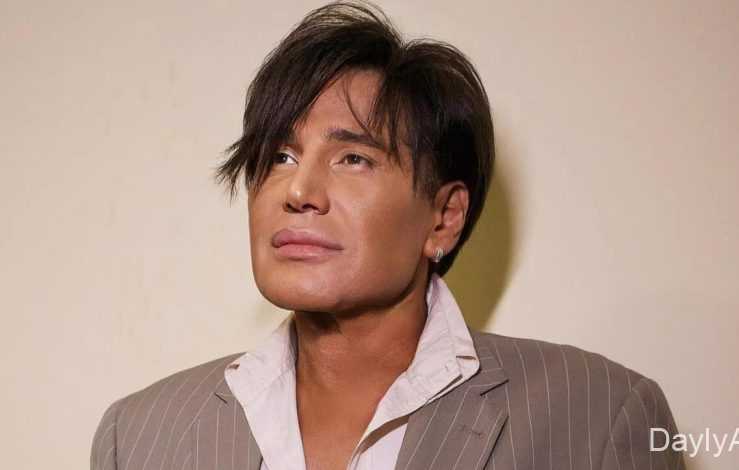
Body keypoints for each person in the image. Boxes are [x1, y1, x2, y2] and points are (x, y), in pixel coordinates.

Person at [90, 2, 686, 469]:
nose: (299, 190)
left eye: (352, 158)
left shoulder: (599, 417)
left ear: (443, 217)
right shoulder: (137, 438)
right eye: (279, 157)